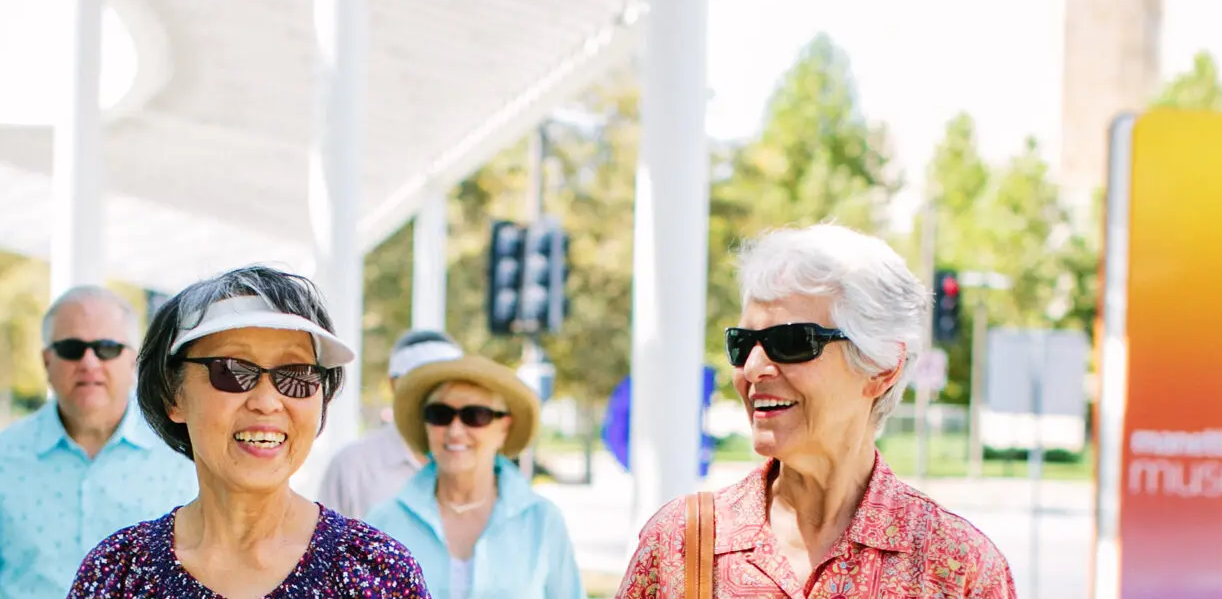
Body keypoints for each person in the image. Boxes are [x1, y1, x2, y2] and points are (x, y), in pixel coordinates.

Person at [616, 225, 1015, 598]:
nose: (753, 368)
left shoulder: (956, 569)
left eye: (791, 341)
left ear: (881, 369)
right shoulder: (681, 544)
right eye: (743, 343)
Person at [72, 265, 428, 598]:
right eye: (231, 370)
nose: (268, 402)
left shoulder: (378, 574)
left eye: (297, 373)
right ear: (172, 394)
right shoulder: (117, 576)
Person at [0, 286, 198, 599]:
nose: (89, 362)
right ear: (47, 362)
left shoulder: (185, 453)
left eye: (107, 347)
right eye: (72, 348)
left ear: (132, 361)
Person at [365, 355, 581, 599]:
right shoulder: (382, 523)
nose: (455, 431)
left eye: (476, 415)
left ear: (504, 428)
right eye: (440, 414)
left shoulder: (542, 521)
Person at [318, 329, 466, 517]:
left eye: (450, 383)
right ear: (394, 384)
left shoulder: (476, 460)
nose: (438, 394)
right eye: (423, 381)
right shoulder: (353, 465)